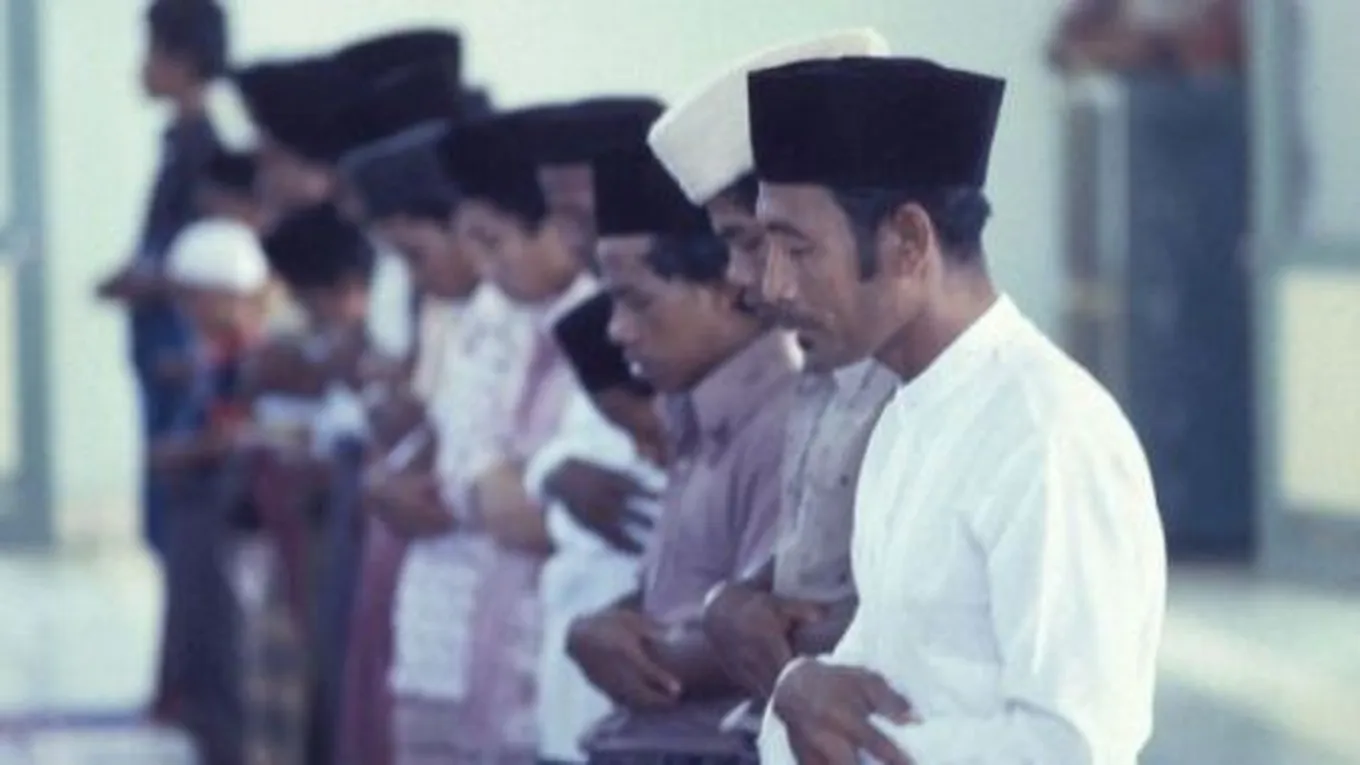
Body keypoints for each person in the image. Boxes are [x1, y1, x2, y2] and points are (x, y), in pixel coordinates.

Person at [744, 56, 1167, 765]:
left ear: (909, 241)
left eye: (798, 249)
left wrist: (820, 721)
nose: (773, 285)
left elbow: (1074, 744)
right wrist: (796, 687)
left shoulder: (1047, 435)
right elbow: (861, 682)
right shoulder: (905, 413)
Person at [645, 31, 898, 729]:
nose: (740, 277)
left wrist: (747, 627)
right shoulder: (824, 369)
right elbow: (800, 573)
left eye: (757, 242)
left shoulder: (916, 387)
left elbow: (897, 628)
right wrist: (731, 602)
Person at [565, 144, 797, 765]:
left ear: (724, 288)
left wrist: (608, 647)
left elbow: (773, 635)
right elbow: (670, 598)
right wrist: (591, 626)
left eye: (637, 300)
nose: (617, 331)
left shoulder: (782, 423)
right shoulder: (689, 414)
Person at [385, 112, 593, 765]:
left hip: (546, 655)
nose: (482, 264)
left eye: (494, 242)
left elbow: (525, 515)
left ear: (557, 228)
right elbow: (458, 457)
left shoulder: (607, 324)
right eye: (472, 242)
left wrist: (475, 485)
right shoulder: (493, 312)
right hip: (449, 639)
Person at [334, 120, 480, 765]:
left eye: (417, 254)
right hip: (432, 588)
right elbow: (431, 426)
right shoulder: (454, 310)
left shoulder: (503, 316)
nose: (415, 277)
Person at [96, 0, 227, 563]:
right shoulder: (178, 142)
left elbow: (206, 263)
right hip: (157, 340)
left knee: (179, 498)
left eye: (152, 51)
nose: (142, 66)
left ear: (184, 58)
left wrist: (150, 283)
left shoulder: (207, 149)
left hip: (181, 342)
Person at [529, 292, 669, 765]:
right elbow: (549, 458)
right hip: (571, 701)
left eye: (643, 435)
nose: (644, 450)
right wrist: (553, 472)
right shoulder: (607, 395)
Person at [153, 217, 271, 765]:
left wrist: (180, 453)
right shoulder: (215, 352)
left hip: (224, 519)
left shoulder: (251, 354)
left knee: (226, 651)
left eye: (195, 297)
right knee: (202, 646)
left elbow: (234, 433)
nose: (188, 311)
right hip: (200, 513)